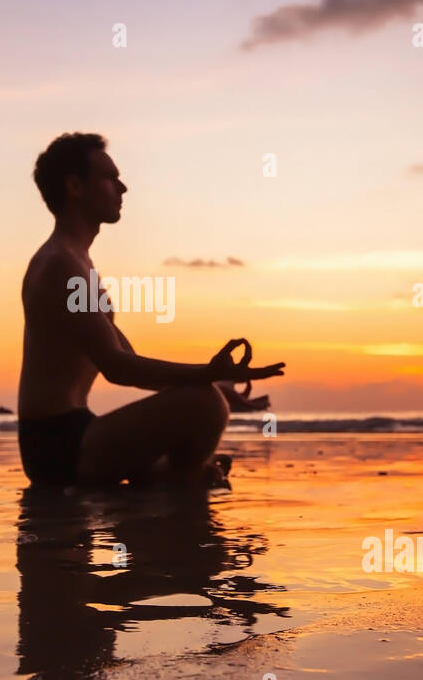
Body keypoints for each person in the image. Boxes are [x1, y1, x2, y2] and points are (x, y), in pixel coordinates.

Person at [17, 132, 284, 486]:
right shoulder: (60, 265)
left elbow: (127, 356)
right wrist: (206, 377)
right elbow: (117, 367)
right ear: (75, 186)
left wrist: (217, 380)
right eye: (110, 178)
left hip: (76, 431)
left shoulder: (76, 262)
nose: (122, 188)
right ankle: (179, 482)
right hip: (56, 446)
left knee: (208, 401)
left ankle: (173, 479)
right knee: (205, 404)